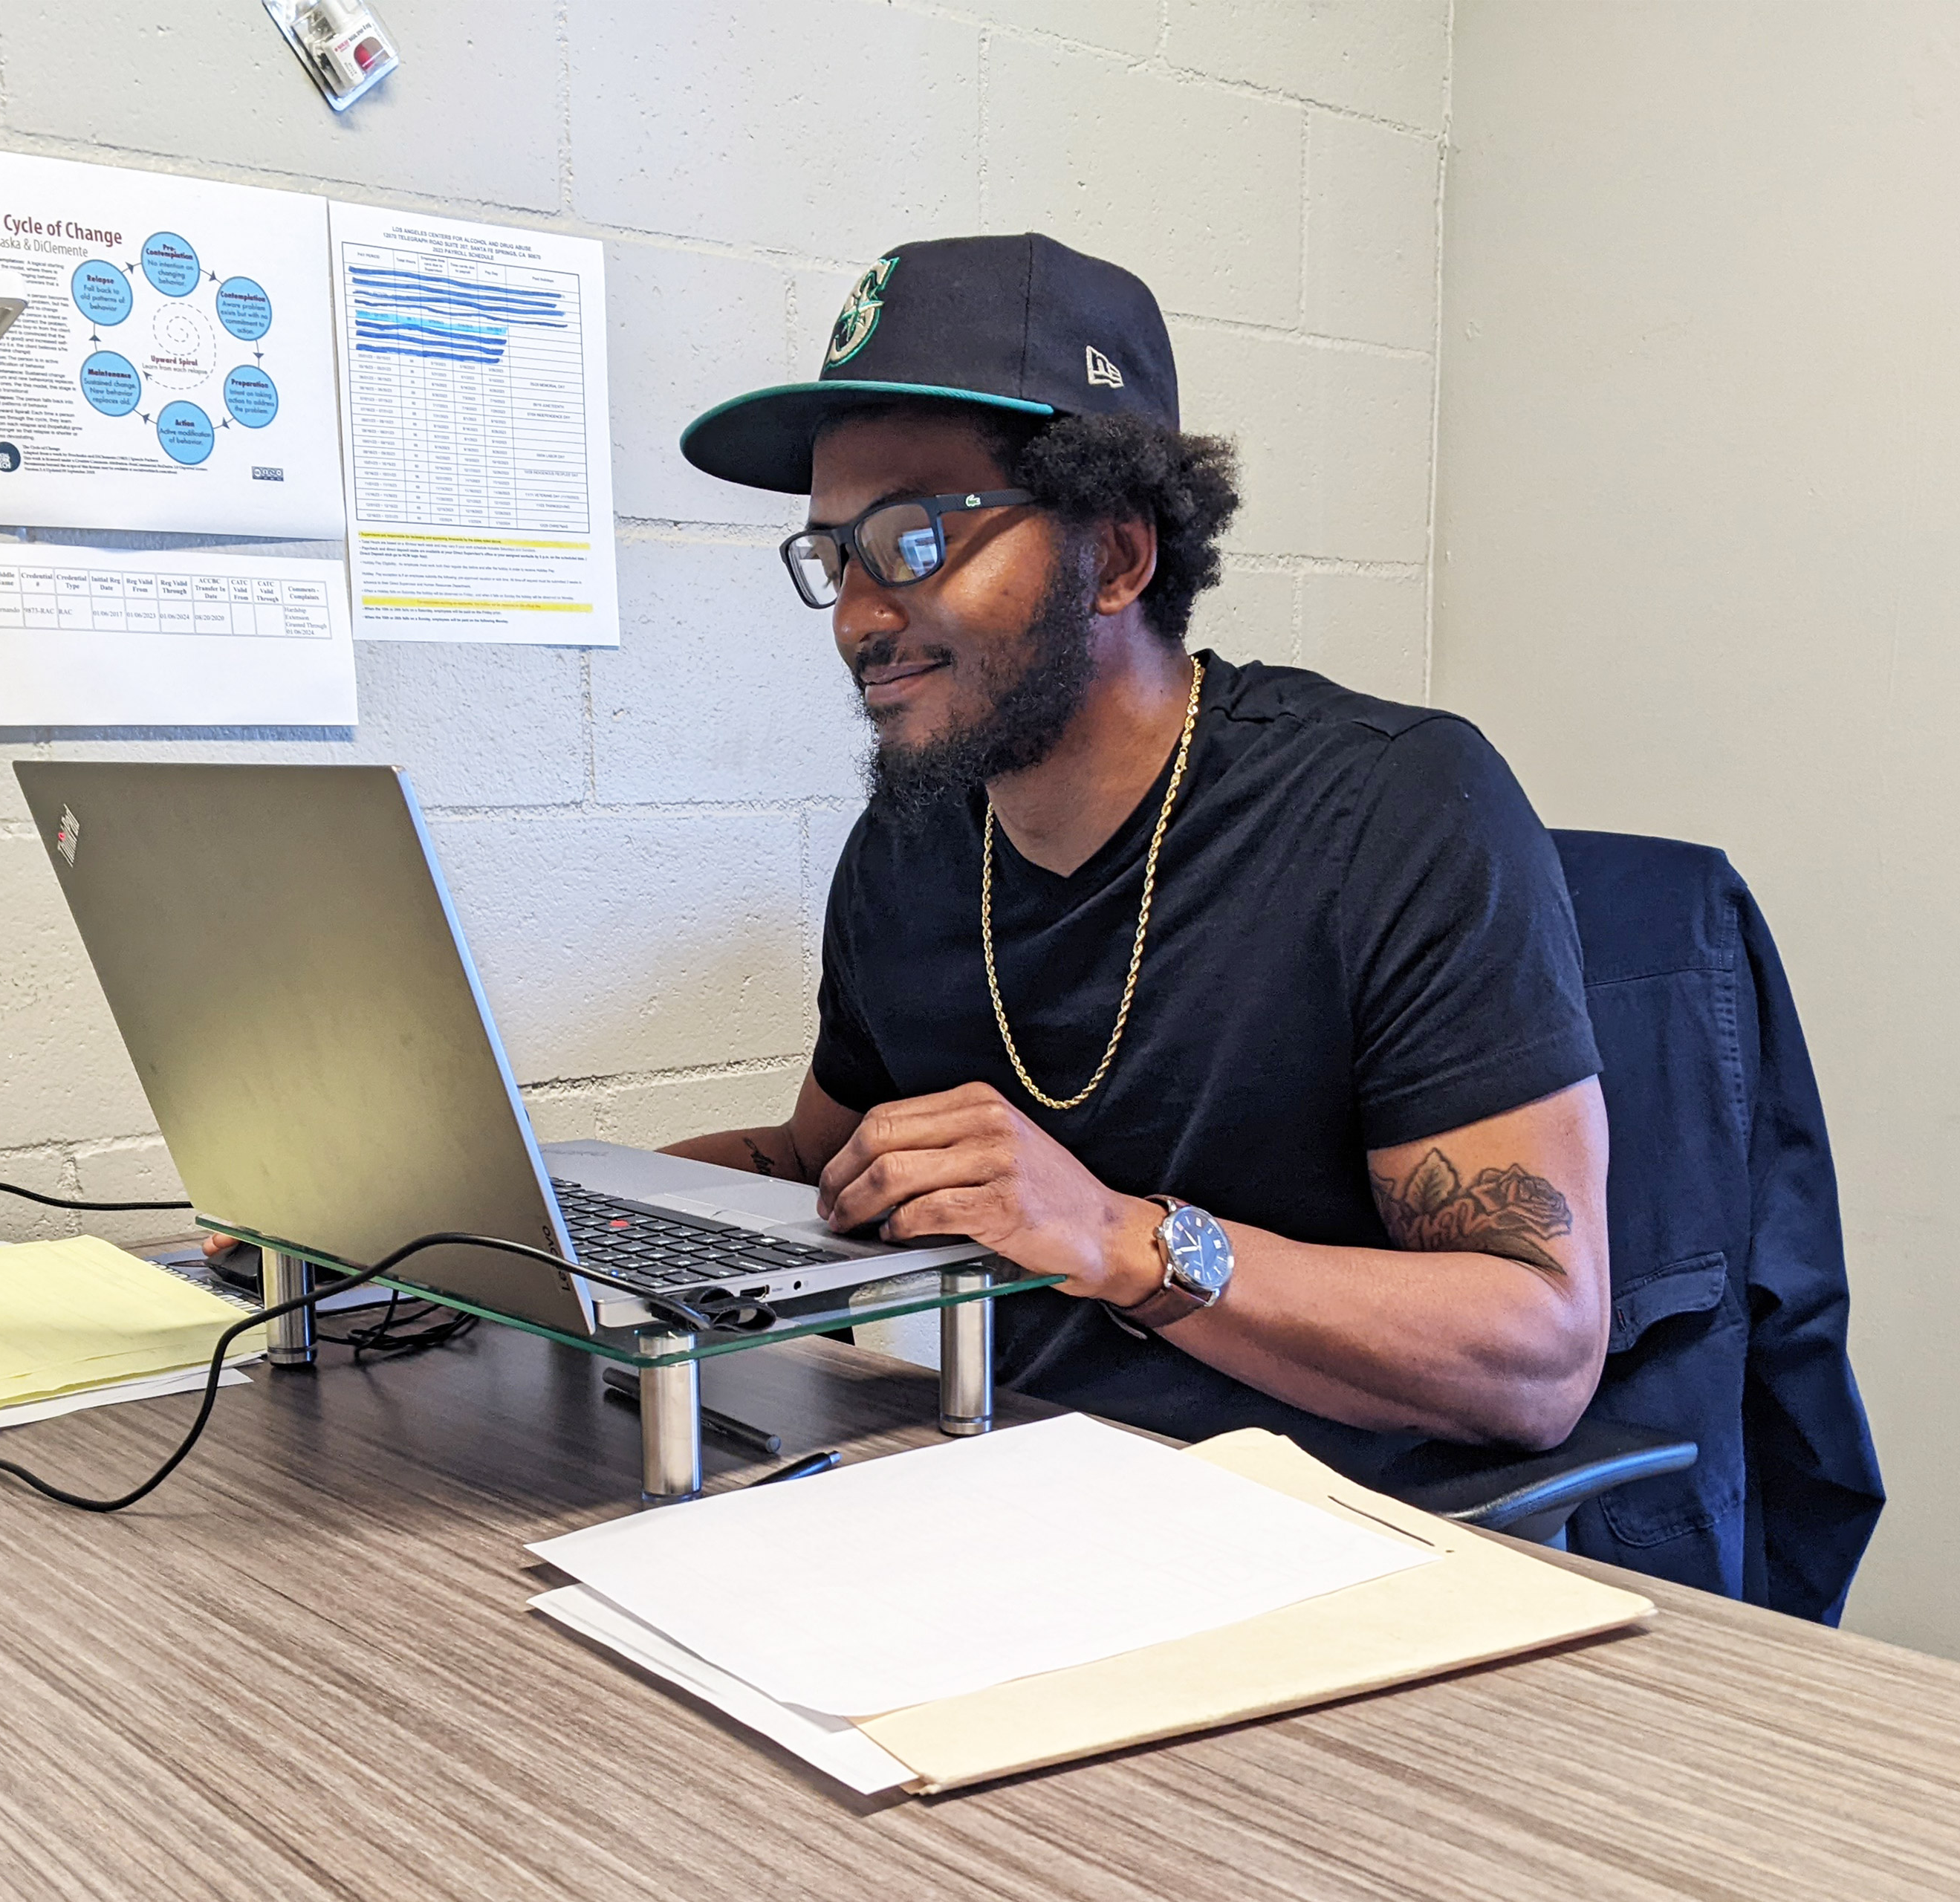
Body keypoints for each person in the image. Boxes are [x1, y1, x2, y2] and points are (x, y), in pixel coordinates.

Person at [667, 234, 1609, 1458]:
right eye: (836, 554)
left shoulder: (1396, 809)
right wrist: (556, 1205)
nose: (856, 615)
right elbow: (824, 1163)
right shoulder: (909, 844)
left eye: (911, 537)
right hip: (988, 1477)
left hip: (1323, 1518)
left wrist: (1120, 1238)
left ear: (1113, 555)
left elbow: (1542, 1355)